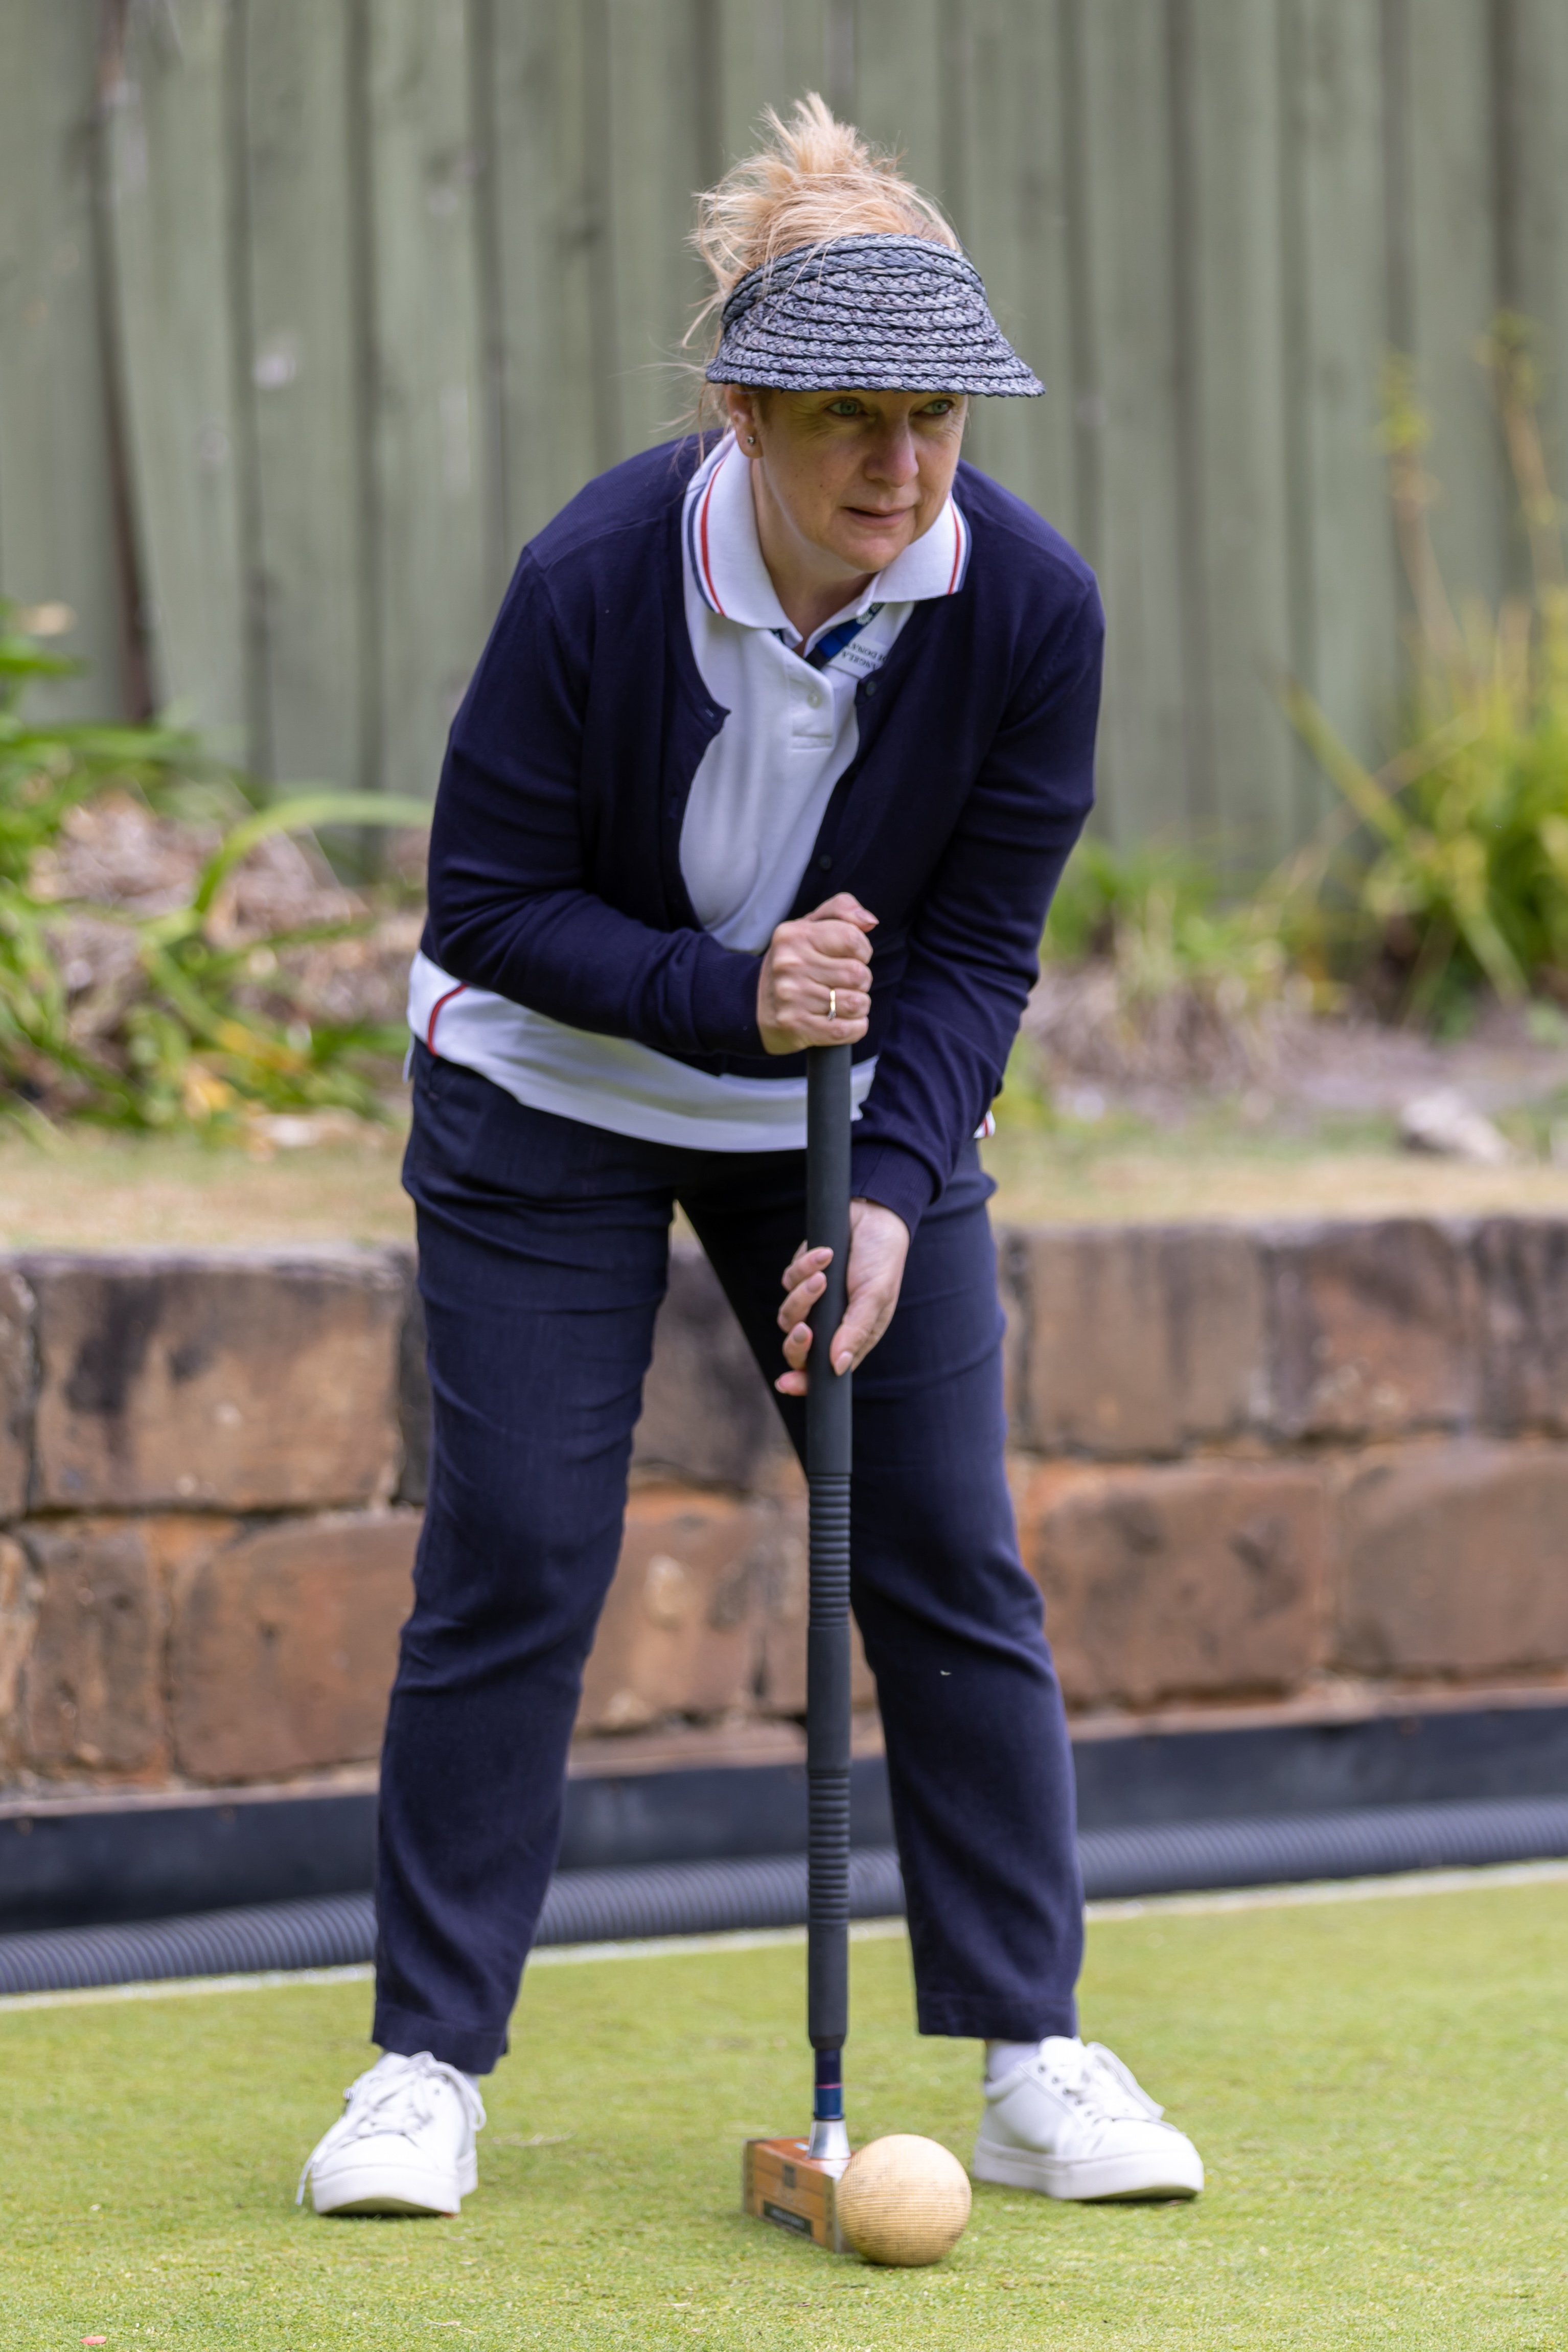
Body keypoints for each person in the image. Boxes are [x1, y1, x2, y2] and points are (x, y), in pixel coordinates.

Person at [299, 96, 1204, 2218]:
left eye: (937, 422)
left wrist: (889, 1189)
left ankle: (1029, 2047)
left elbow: (977, 947)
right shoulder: (600, 577)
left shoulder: (1028, 611)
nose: (899, 470)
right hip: (549, 1087)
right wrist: (733, 1000)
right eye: (847, 423)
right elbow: (482, 909)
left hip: (841, 1117)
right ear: (743, 408)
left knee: (942, 1553)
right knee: (518, 1545)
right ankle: (421, 2063)